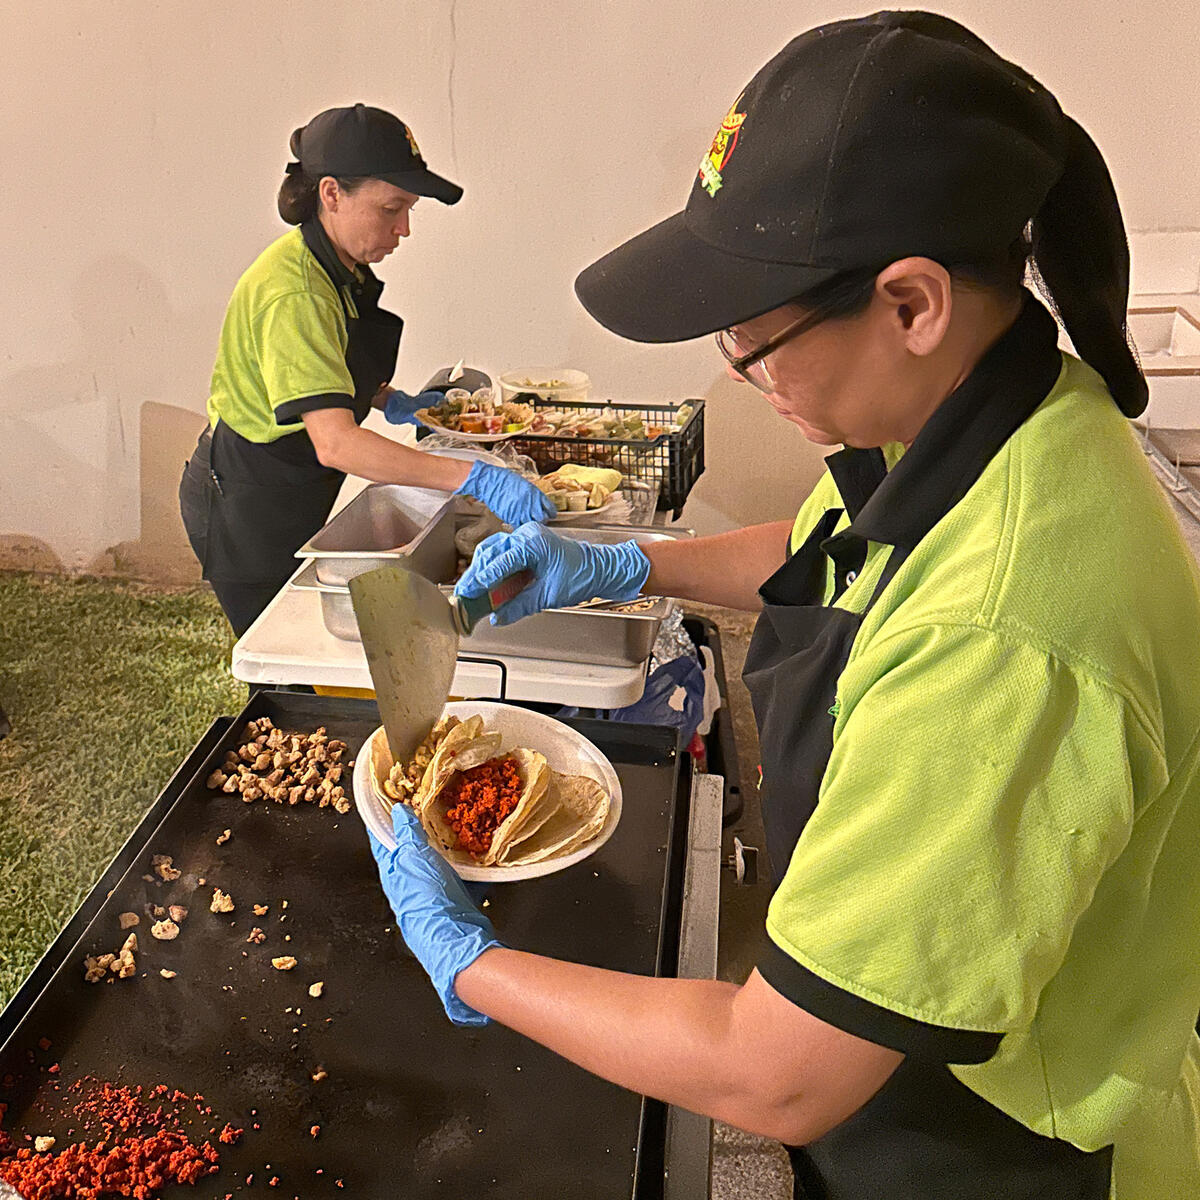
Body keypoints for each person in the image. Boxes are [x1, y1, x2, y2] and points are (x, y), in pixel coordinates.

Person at [369, 14, 1200, 1199]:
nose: (739, 374)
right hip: (908, 1037)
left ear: (911, 304)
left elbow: (777, 1077)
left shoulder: (1006, 640)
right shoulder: (989, 412)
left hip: (1005, 1141)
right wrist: (627, 565)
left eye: (755, 341)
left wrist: (469, 962)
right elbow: (829, 558)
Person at [179, 103, 553, 636]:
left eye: (409, 210)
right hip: (249, 499)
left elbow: (327, 363)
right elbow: (337, 444)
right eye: (391, 208)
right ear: (331, 193)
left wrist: (389, 399)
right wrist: (472, 477)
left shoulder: (339, 266)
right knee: (283, 648)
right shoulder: (295, 292)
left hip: (295, 482)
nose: (404, 229)